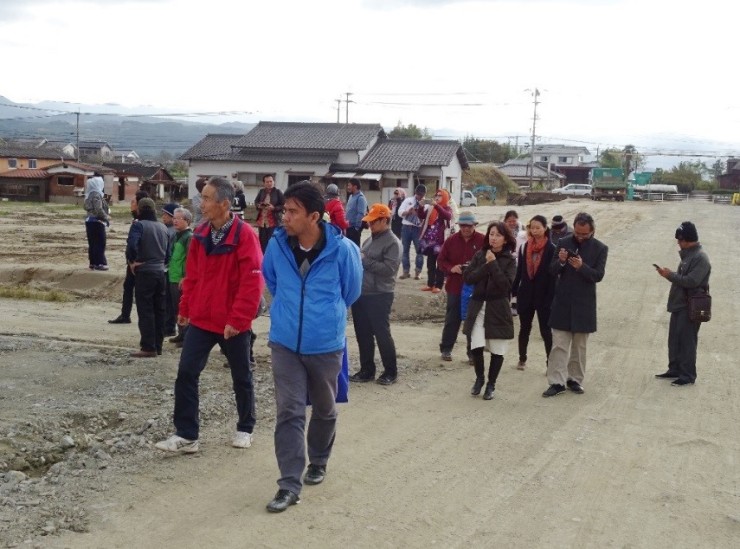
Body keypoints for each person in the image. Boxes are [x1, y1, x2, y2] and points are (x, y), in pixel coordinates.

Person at [262, 181, 362, 513]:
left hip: (325, 344)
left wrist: (323, 317)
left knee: (324, 407)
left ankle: (318, 459)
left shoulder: (343, 250)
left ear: (314, 216)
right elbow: (272, 281)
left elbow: (351, 292)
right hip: (285, 343)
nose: (284, 218)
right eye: (284, 210)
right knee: (289, 411)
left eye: (292, 212)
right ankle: (289, 485)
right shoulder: (277, 245)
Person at [155, 177, 264, 454]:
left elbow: (252, 283)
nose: (200, 203)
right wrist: (185, 308)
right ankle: (187, 435)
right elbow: (192, 277)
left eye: (206, 198)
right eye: (201, 197)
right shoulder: (201, 234)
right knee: (186, 374)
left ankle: (245, 427)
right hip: (202, 320)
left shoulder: (244, 236)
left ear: (224, 204)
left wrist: (238, 320)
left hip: (232, 323)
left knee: (241, 376)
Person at [543, 212, 608, 397]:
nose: (579, 237)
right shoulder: (563, 242)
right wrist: (562, 262)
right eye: (577, 233)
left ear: (592, 231)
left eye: (584, 234)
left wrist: (582, 267)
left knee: (579, 347)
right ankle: (556, 382)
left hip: (584, 304)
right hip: (562, 301)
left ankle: (575, 380)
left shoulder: (600, 248)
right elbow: (552, 269)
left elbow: (598, 276)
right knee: (559, 345)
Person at [462, 221, 517, 400]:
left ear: (506, 239)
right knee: (476, 344)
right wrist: (487, 265)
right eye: (491, 234)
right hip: (478, 305)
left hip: (498, 308)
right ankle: (479, 378)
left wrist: (493, 265)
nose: (493, 238)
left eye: (498, 235)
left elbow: (505, 286)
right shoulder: (480, 254)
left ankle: (491, 384)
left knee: (497, 348)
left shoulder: (510, 260)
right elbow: (468, 277)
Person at [349, 203, 402, 385]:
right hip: (362, 293)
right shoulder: (369, 239)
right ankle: (367, 370)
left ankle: (390, 371)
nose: (370, 226)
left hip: (380, 294)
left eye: (373, 222)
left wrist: (365, 261)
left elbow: (389, 269)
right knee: (362, 333)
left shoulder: (393, 242)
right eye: (369, 222)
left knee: (381, 333)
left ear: (384, 220)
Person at [654, 221, 711, 386]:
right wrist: (670, 274)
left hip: (690, 306)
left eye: (680, 240)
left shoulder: (700, 257)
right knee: (675, 339)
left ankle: (687, 375)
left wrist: (669, 275)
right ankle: (675, 369)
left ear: (687, 239)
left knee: (687, 341)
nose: (678, 243)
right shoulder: (689, 255)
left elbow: (691, 281)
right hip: (680, 304)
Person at [437, 210, 485, 362]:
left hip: (475, 287)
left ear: (474, 225)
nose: (466, 228)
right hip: (455, 286)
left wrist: (476, 268)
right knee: (452, 318)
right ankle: (446, 349)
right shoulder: (451, 240)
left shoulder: (483, 240)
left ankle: (473, 353)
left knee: (474, 320)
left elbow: (490, 261)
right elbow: (440, 261)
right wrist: (451, 268)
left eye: (469, 226)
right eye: (463, 225)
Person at [126, 198, 171, 358]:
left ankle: (148, 346)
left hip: (145, 271)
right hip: (160, 272)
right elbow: (168, 253)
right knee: (159, 310)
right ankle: (158, 346)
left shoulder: (138, 225)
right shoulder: (163, 227)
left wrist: (133, 261)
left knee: (145, 310)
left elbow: (132, 245)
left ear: (140, 209)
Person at [512, 215, 556, 371]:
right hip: (526, 294)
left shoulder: (551, 249)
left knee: (546, 331)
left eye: (539, 227)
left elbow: (553, 277)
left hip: (544, 297)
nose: (535, 231)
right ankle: (522, 359)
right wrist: (514, 290)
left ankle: (550, 362)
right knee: (524, 328)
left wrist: (551, 298)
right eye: (533, 227)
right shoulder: (524, 247)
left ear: (545, 228)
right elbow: (520, 271)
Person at [109, 190, 149, 324]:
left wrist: (132, 260)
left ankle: (135, 317)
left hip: (138, 263)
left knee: (138, 292)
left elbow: (134, 244)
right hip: (136, 261)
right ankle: (125, 315)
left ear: (139, 205)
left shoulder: (140, 223)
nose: (130, 204)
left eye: (133, 202)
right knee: (129, 287)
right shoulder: (140, 220)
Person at [167, 207, 193, 348]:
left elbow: (190, 259)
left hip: (180, 279)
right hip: (173, 275)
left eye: (178, 219)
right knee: (176, 307)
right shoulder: (176, 235)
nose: (175, 221)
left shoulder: (188, 237)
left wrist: (185, 277)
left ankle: (186, 336)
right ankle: (181, 333)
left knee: (183, 307)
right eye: (174, 218)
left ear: (187, 221)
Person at [419, 188, 452, 293]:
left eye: (440, 195)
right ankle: (430, 284)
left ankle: (438, 285)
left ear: (445, 197)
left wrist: (436, 206)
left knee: (440, 264)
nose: (437, 197)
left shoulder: (447, 208)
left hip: (441, 242)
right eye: (436, 195)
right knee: (430, 264)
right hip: (429, 241)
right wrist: (420, 207)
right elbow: (421, 215)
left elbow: (447, 216)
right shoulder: (430, 208)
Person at [398, 184, 427, 280]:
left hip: (418, 229)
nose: (420, 197)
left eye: (422, 195)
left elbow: (426, 218)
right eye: (418, 195)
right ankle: (406, 271)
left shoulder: (426, 204)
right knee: (404, 250)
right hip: (406, 227)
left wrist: (419, 213)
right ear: (415, 193)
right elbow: (399, 212)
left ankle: (418, 272)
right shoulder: (408, 200)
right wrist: (408, 212)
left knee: (419, 251)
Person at [83, 173, 110, 271]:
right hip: (97, 221)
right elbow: (98, 209)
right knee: (100, 242)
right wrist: (106, 217)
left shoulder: (88, 194)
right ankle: (100, 263)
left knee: (92, 243)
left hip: (89, 221)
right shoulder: (96, 194)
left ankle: (93, 263)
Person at [161, 203, 180, 338]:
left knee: (170, 301)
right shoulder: (171, 230)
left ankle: (169, 327)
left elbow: (168, 251)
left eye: (166, 215)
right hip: (170, 269)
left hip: (171, 270)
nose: (163, 217)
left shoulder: (171, 232)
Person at [255, 174, 285, 253]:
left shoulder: (278, 192)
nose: (269, 183)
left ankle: (272, 258)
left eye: (271, 181)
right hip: (262, 222)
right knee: (262, 242)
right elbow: (256, 202)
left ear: (274, 182)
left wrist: (274, 208)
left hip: (273, 221)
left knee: (272, 242)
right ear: (264, 183)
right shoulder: (261, 191)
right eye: (267, 182)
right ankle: (263, 259)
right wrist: (259, 205)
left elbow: (284, 205)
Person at [345, 178, 368, 247]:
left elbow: (361, 213)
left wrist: (357, 228)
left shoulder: (360, 198)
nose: (348, 187)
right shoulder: (351, 196)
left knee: (355, 247)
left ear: (355, 187)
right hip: (348, 227)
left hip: (354, 228)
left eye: (349, 185)